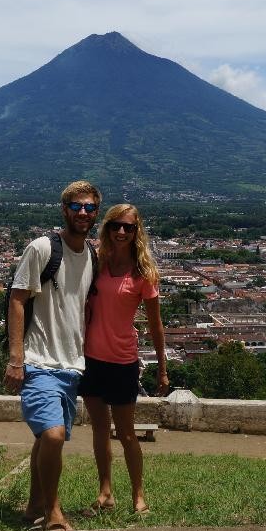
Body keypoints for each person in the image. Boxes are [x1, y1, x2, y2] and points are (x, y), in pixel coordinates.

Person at [4, 180, 101, 531]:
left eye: (90, 207)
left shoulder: (91, 256)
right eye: (77, 206)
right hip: (38, 360)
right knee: (55, 436)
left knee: (45, 438)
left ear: (96, 213)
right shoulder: (43, 248)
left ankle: (33, 506)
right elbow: (17, 300)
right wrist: (16, 359)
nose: (83, 213)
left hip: (71, 365)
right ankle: (53, 511)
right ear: (64, 209)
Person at [78, 203, 168, 515]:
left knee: (127, 433)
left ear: (136, 231)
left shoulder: (143, 273)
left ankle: (138, 494)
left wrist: (162, 369)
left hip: (122, 361)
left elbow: (156, 324)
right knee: (99, 430)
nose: (121, 232)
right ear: (107, 228)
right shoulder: (96, 262)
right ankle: (105, 492)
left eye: (128, 227)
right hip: (91, 358)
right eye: (115, 225)